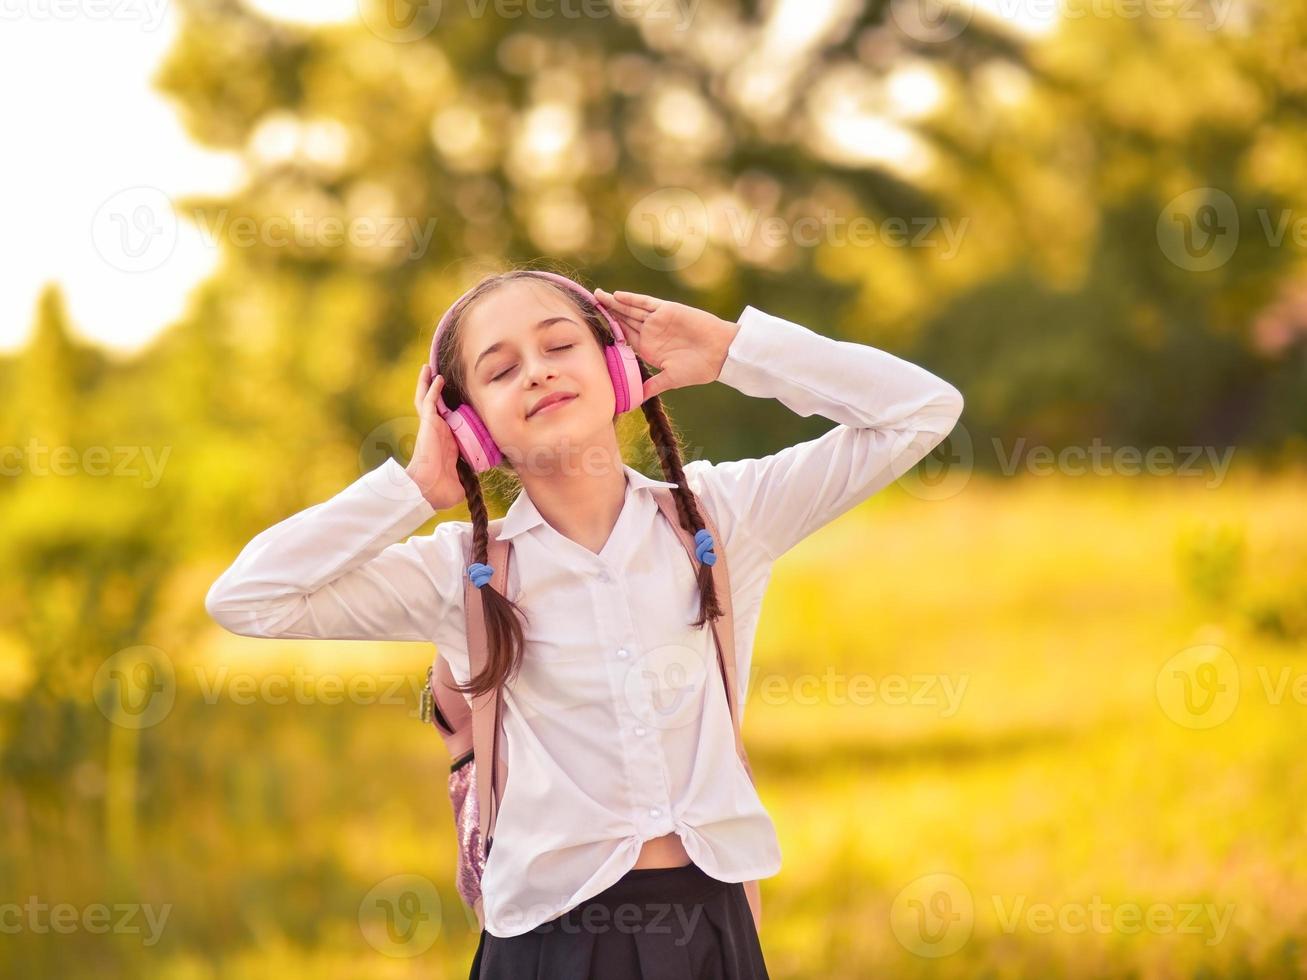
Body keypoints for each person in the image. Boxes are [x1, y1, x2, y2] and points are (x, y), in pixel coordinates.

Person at [205, 268, 965, 978]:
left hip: (711, 924)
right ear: (472, 427)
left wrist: (733, 350)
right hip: (550, 942)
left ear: (618, 370)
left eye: (559, 345)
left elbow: (921, 412)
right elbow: (248, 597)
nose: (536, 369)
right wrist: (416, 486)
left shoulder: (721, 516)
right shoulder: (458, 570)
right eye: (501, 370)